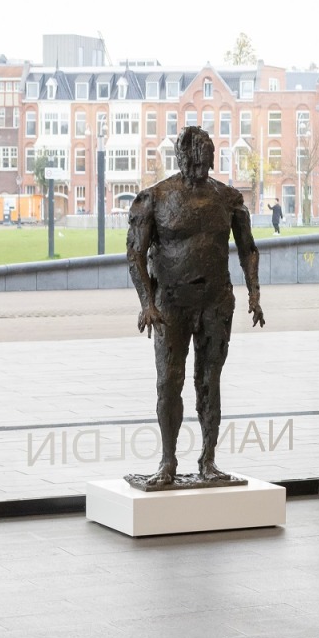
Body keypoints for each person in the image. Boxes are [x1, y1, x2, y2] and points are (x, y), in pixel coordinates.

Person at [126, 126, 264, 489]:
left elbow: (248, 249)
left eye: (208, 161)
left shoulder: (227, 198)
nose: (203, 168)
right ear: (182, 158)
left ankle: (208, 460)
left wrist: (254, 293)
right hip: (170, 304)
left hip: (215, 301)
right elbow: (135, 253)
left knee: (209, 380)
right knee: (168, 382)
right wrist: (146, 303)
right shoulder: (155, 198)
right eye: (196, 162)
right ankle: (168, 461)